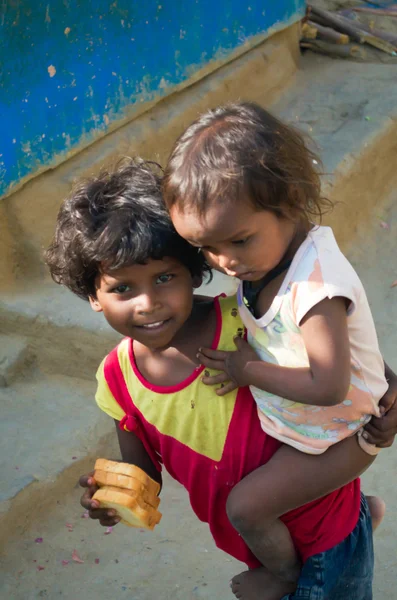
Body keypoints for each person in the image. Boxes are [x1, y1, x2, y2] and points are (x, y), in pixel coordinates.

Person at [45, 158, 397, 600]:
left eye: (165, 277)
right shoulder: (117, 380)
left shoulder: (246, 320)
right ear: (92, 295)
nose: (147, 303)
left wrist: (391, 396)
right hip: (261, 543)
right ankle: (361, 520)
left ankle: (353, 524)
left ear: (194, 267)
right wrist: (114, 494)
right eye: (122, 289)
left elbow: (346, 360)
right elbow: (143, 468)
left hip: (322, 526)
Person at [162, 101, 397, 599]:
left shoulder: (314, 286)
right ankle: (361, 514)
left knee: (246, 507)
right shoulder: (267, 261)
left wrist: (248, 369)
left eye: (239, 240)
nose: (225, 261)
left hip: (343, 434)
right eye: (206, 249)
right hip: (314, 424)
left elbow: (329, 383)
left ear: (288, 202)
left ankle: (284, 575)